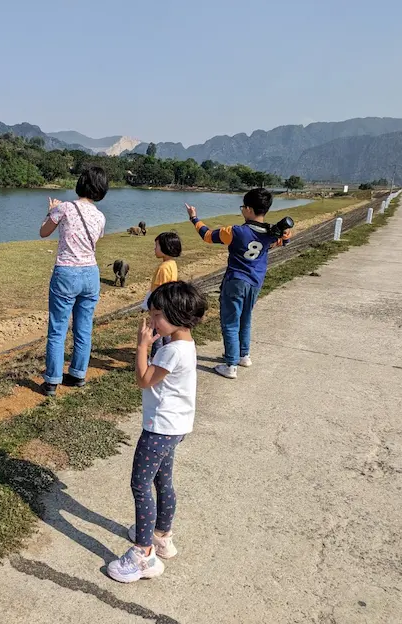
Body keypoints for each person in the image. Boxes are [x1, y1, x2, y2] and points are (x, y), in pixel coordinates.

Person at [107, 281, 207, 584]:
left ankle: (143, 553)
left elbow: (143, 379)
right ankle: (162, 535)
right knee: (163, 481)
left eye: (156, 316)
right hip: (177, 426)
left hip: (159, 429)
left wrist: (142, 345)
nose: (151, 322)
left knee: (140, 485)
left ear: (176, 315)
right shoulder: (186, 345)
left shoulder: (170, 352)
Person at [186, 188, 291, 379]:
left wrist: (194, 218)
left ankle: (230, 365)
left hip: (235, 281)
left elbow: (208, 235)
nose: (242, 210)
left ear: (249, 209)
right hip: (255, 283)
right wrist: (285, 235)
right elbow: (283, 242)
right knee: (245, 319)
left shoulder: (235, 231)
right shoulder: (270, 233)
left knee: (230, 322)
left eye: (243, 207)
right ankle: (244, 355)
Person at [38, 166, 108, 396]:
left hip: (67, 272)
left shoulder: (64, 208)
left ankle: (52, 381)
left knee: (58, 329)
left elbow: (44, 232)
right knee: (84, 328)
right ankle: (78, 374)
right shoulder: (100, 216)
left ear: (80, 184)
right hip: (91, 273)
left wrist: (50, 211)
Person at [144, 231, 182, 357]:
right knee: (166, 332)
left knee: (157, 334)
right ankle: (167, 355)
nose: (154, 249)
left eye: (157, 246)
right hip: (168, 305)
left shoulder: (163, 268)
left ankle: (156, 358)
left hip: (160, 306)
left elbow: (159, 289)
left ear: (166, 248)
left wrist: (153, 307)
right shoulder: (172, 264)